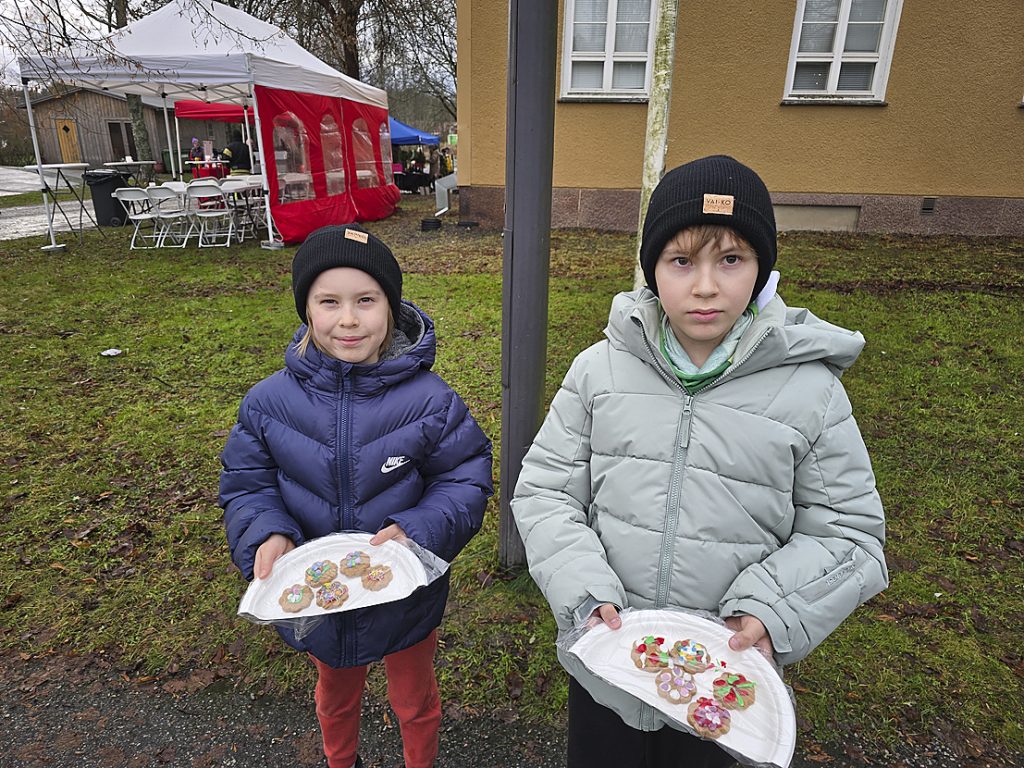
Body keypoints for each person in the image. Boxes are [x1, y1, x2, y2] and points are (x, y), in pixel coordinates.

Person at [511, 155, 888, 768]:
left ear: (761, 269)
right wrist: (583, 592)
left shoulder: (810, 394)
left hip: (728, 680)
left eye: (731, 260)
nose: (706, 286)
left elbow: (850, 535)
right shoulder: (598, 372)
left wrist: (771, 609)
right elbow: (544, 491)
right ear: (653, 269)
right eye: (682, 260)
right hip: (609, 667)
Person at [220, 224, 493, 768]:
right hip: (321, 592)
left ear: (390, 308)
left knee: (414, 699)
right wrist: (268, 533)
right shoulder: (267, 403)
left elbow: (465, 477)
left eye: (366, 300)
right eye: (329, 302)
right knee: (335, 695)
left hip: (405, 590)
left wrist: (418, 531)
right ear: (307, 310)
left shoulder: (432, 402)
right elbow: (248, 482)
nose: (348, 319)